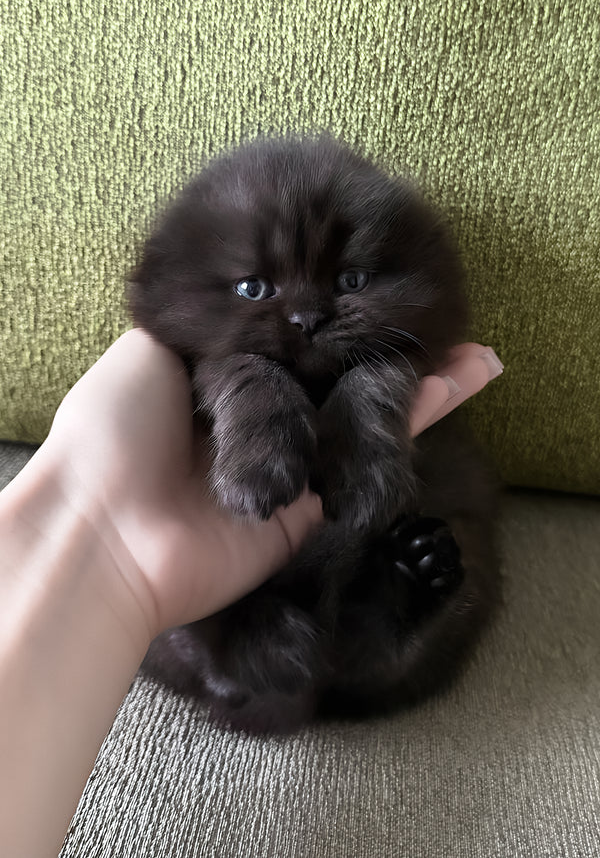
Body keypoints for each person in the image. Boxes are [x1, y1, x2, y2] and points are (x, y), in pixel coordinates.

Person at [0, 330, 502, 858]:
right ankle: (340, 624)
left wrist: (98, 540)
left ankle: (376, 614)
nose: (306, 318)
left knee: (421, 562)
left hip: (363, 594)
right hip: (237, 608)